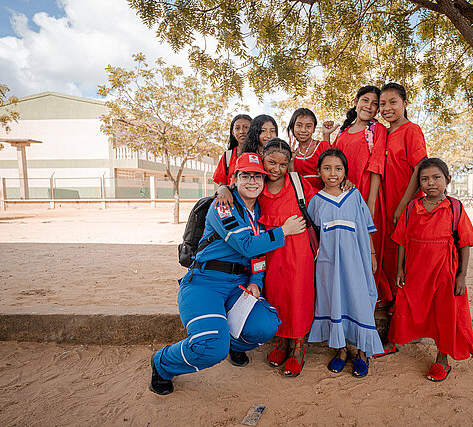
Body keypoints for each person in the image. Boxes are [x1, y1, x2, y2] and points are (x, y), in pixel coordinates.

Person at [150, 153, 306, 395]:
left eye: (258, 176)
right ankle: (162, 363)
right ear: (234, 179)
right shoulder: (223, 206)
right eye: (246, 176)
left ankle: (232, 343)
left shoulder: (259, 211)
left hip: (237, 284)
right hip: (205, 283)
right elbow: (247, 245)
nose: (252, 181)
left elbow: (259, 254)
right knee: (211, 348)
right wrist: (284, 231)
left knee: (267, 324)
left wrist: (255, 281)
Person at [388, 158, 473, 382]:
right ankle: (394, 341)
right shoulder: (412, 207)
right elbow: (402, 241)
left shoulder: (455, 208)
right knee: (408, 306)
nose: (431, 183)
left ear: (447, 179)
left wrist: (461, 276)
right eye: (425, 179)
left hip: (444, 272)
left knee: (445, 315)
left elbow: (464, 243)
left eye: (436, 178)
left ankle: (442, 358)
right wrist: (399, 269)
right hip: (416, 271)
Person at [307, 149, 384, 378]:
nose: (333, 173)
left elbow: (367, 228)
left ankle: (362, 353)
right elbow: (312, 238)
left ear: (345, 172)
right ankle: (341, 351)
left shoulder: (354, 195)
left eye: (338, 168)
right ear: (319, 171)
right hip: (328, 266)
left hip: (356, 261)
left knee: (360, 301)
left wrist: (371, 254)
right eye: (327, 168)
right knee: (334, 303)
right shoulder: (315, 201)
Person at [322, 85, 390, 305]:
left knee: (368, 245)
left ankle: (371, 295)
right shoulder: (344, 130)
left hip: (365, 194)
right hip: (342, 197)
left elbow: (377, 165)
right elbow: (331, 161)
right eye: (365, 101)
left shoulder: (376, 130)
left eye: (374, 104)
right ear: (356, 101)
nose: (369, 107)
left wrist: (370, 202)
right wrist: (325, 135)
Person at [258, 138, 319, 377]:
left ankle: (298, 347)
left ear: (289, 165)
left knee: (297, 295)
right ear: (263, 158)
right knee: (275, 294)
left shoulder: (297, 184)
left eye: (283, 165)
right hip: (270, 250)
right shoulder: (256, 184)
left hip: (298, 249)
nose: (276, 169)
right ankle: (281, 341)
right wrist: (223, 189)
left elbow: (320, 203)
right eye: (271, 162)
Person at [379, 82, 428, 309]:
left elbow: (420, 169)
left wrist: (402, 206)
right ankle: (389, 298)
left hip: (403, 203)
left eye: (393, 102)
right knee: (386, 251)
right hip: (383, 203)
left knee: (403, 253)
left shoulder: (412, 130)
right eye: (382, 104)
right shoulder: (383, 133)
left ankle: (402, 305)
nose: (387, 108)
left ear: (405, 104)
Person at [288, 108, 331, 190]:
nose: (303, 130)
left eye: (308, 126)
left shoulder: (322, 146)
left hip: (323, 197)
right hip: (302, 200)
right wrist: (291, 162)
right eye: (299, 125)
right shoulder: (291, 154)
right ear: (292, 128)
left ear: (314, 129)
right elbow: (292, 182)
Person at [212, 114, 252, 185]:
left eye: (246, 127)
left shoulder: (258, 155)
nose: (241, 131)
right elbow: (222, 185)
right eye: (237, 128)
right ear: (233, 133)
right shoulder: (227, 156)